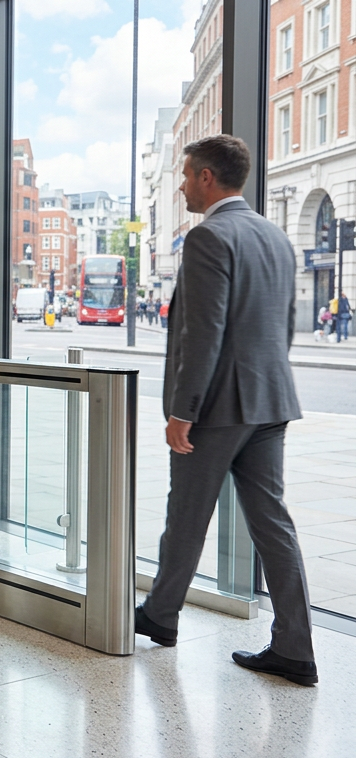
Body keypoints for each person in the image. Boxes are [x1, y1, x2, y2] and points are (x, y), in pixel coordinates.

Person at [136, 135, 316, 685]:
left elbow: (202, 334)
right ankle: (295, 648)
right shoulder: (274, 236)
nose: (185, 185)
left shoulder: (210, 236)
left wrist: (182, 411)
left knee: (187, 516)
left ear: (208, 177)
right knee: (273, 524)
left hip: (217, 408)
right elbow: (282, 326)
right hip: (270, 401)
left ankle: (161, 617)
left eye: (188, 175)